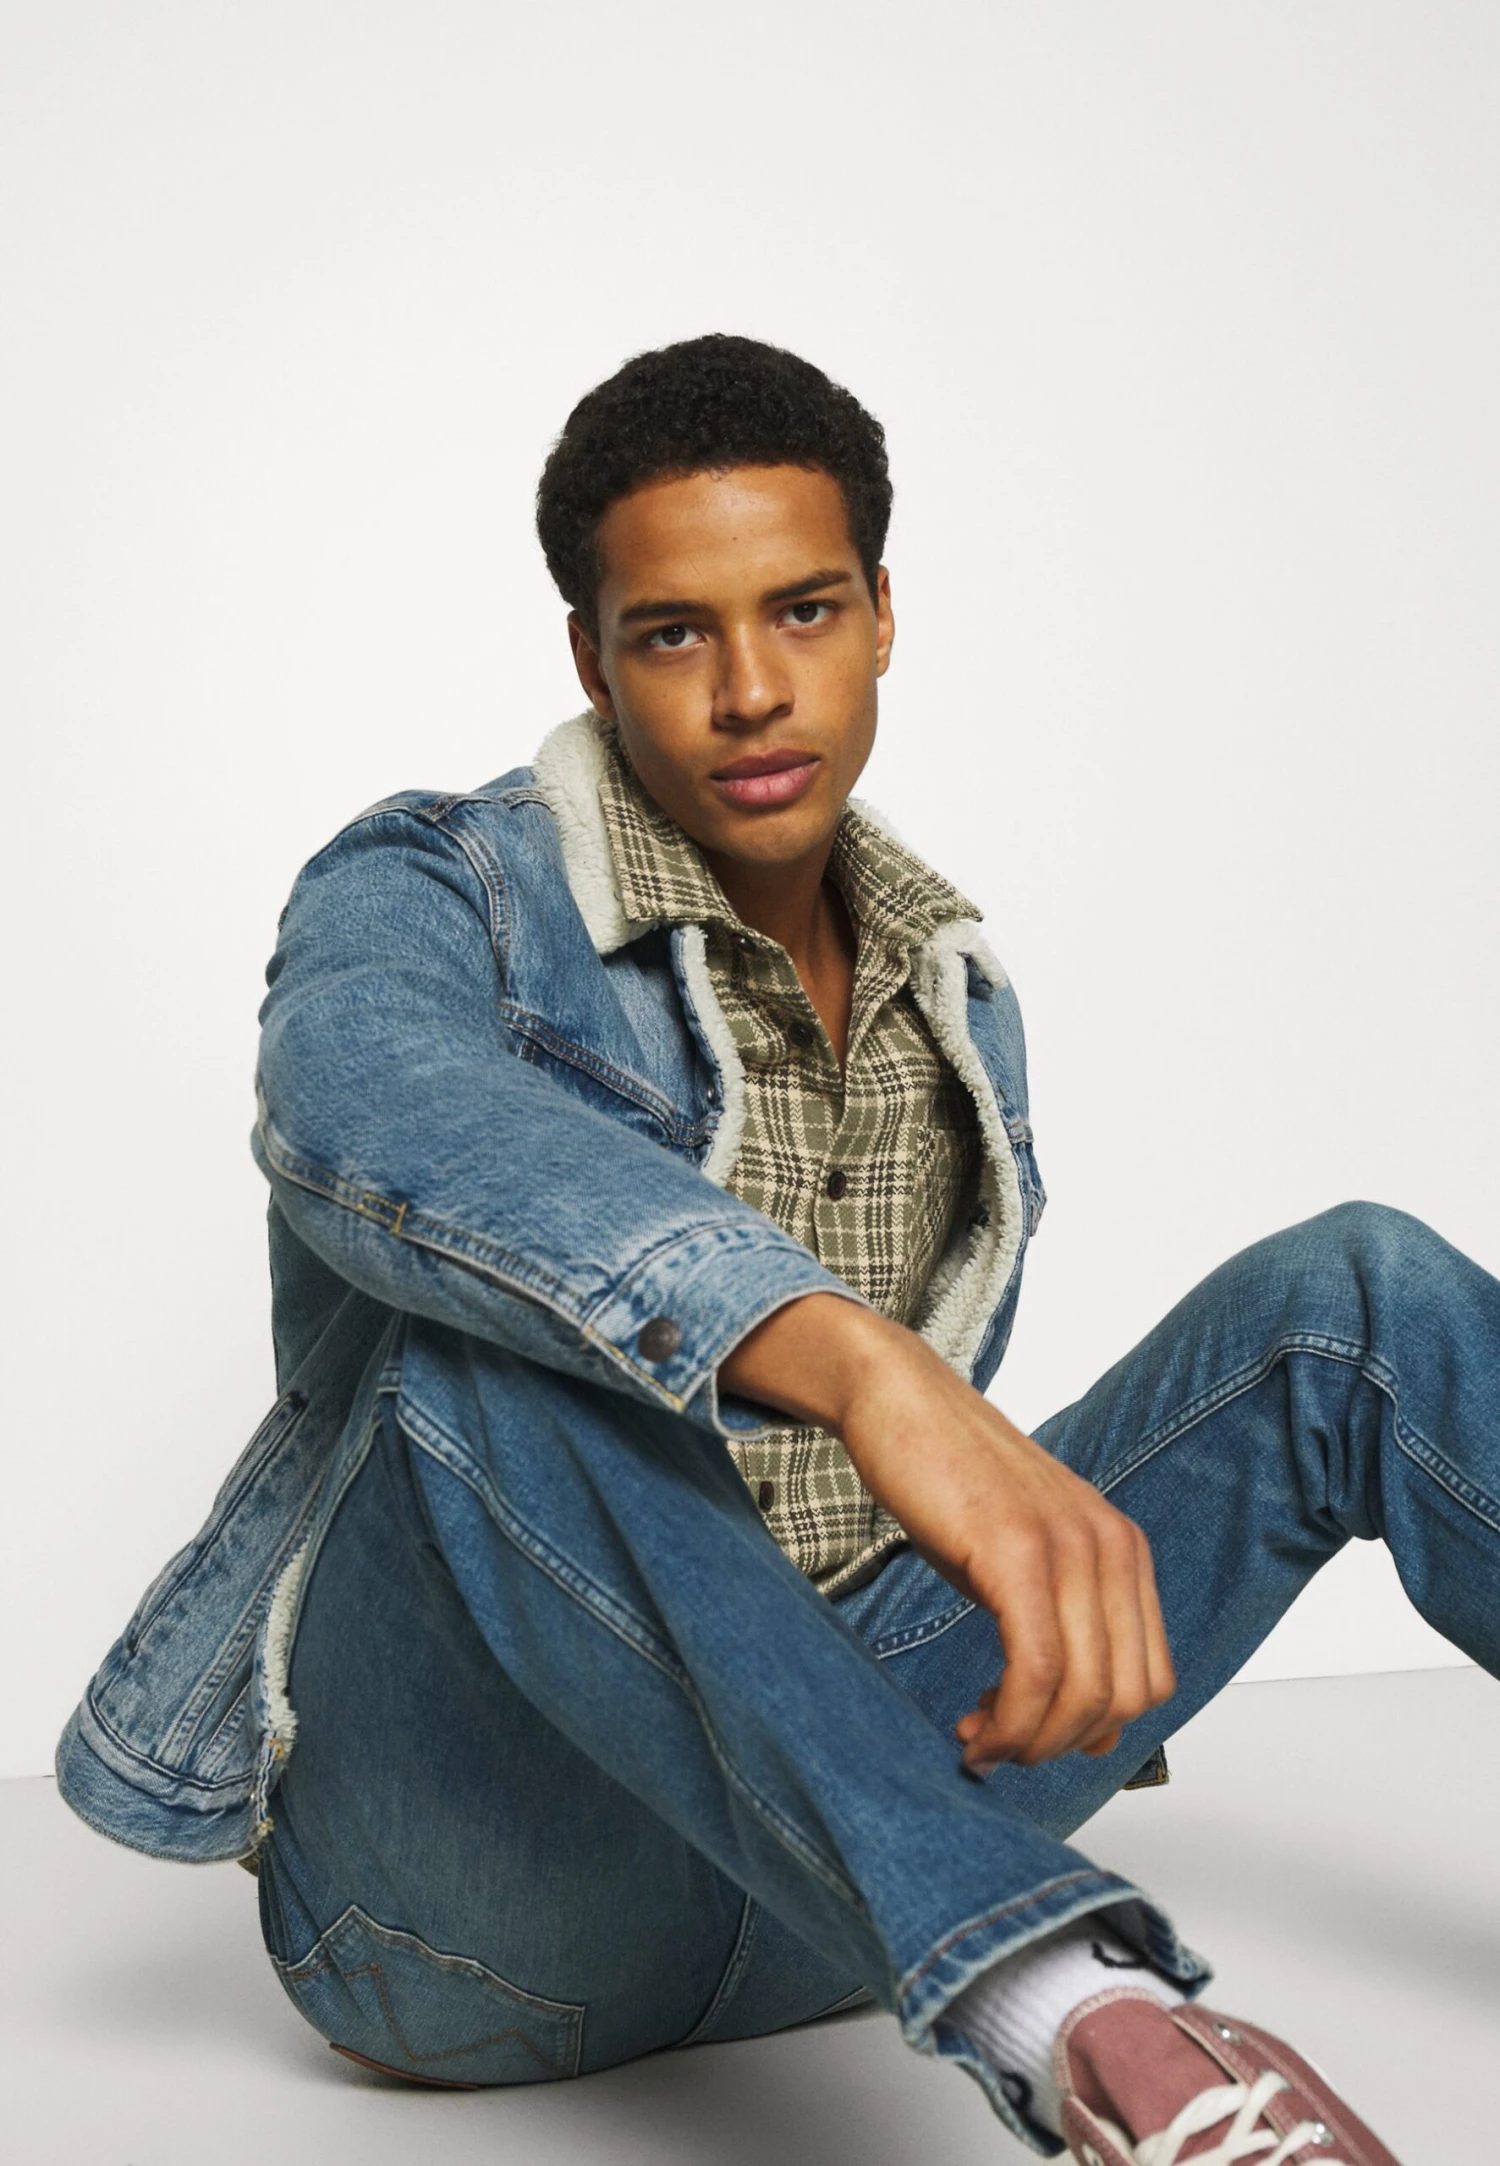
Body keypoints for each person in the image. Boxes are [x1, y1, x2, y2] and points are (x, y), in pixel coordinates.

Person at [63, 334, 1499, 2166]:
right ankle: (1072, 2010)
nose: (752, 689)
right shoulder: (438, 887)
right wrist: (853, 1358)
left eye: (804, 610)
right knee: (494, 1345)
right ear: (592, 660)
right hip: (490, 1917)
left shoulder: (951, 992)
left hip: (860, 1822)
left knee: (1356, 1299)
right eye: (675, 633)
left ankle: (961, 1903)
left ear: (884, 614)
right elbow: (367, 1098)